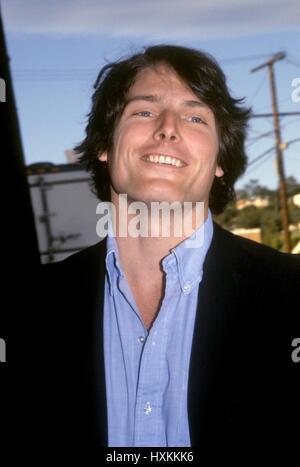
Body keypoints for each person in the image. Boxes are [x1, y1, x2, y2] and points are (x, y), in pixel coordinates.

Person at [29, 45, 299, 453]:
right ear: (104, 145)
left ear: (220, 158)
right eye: (143, 111)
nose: (168, 128)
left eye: (195, 117)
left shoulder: (292, 293)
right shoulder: (33, 302)